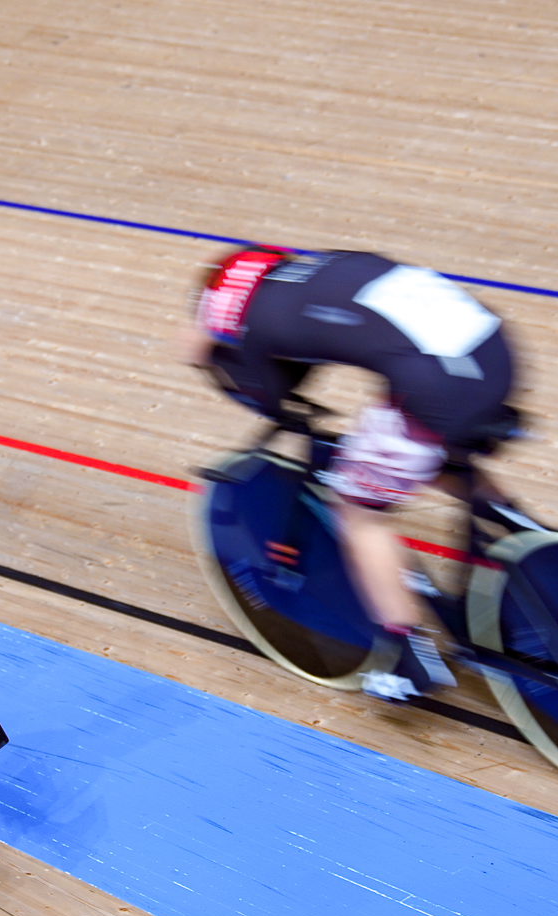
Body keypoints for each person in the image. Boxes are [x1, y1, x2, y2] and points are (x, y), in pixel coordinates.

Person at [184, 246, 520, 704]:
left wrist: (211, 356)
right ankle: (516, 529)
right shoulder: (306, 273)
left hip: (440, 385)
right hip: (492, 349)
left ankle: (410, 659)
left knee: (360, 510)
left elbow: (271, 396)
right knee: (432, 449)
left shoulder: (246, 325)